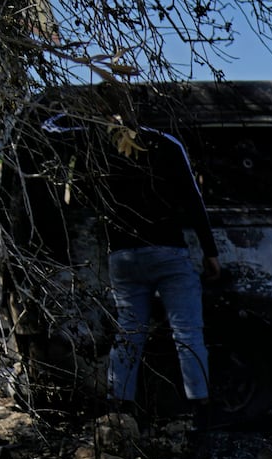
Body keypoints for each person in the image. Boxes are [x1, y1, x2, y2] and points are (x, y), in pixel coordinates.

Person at [87, 118, 221, 411]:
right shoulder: (167, 143)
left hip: (122, 255)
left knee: (128, 333)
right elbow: (193, 199)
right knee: (187, 332)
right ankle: (200, 407)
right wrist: (210, 252)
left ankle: (120, 406)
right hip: (167, 250)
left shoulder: (100, 143)